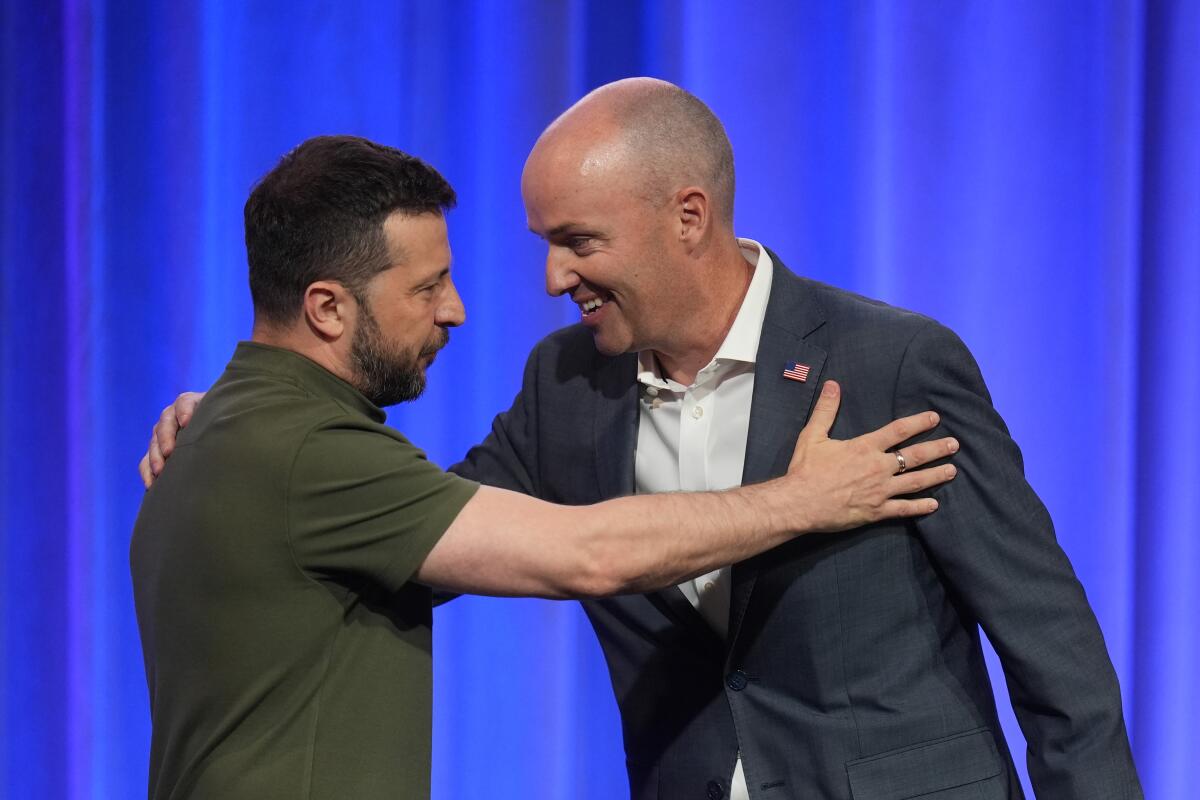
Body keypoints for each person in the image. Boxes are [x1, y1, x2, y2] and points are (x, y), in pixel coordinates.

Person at [144, 79, 1142, 798]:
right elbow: (428, 535)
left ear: (689, 217)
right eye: (545, 243)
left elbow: (1048, 642)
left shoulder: (889, 363)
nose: (549, 278)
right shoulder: (566, 385)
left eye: (577, 240)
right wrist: (246, 429)